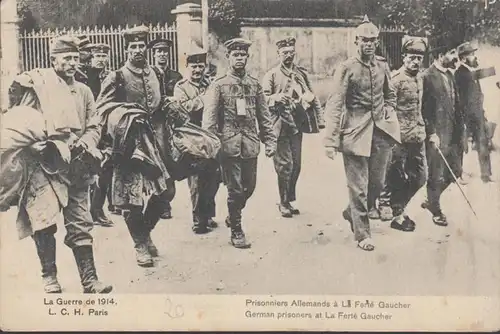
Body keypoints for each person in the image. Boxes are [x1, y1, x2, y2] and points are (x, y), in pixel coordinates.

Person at [7, 35, 112, 293]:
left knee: (80, 221)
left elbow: (94, 125)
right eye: (67, 58)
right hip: (44, 165)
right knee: (44, 221)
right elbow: (22, 122)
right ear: (53, 59)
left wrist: (85, 143)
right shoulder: (38, 87)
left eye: (76, 58)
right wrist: (32, 145)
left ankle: (90, 281)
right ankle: (49, 276)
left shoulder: (84, 91)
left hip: (76, 165)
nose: (72, 63)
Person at [96, 25, 176, 267]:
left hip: (156, 143)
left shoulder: (156, 74)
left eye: (142, 46)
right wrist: (125, 114)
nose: (138, 50)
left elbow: (159, 104)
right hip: (128, 144)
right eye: (133, 47)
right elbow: (101, 109)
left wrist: (169, 107)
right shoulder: (117, 77)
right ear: (126, 49)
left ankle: (145, 232)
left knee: (167, 192)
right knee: (131, 198)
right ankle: (140, 245)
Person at [323, 15, 400, 251]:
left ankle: (351, 212)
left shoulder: (382, 65)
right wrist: (330, 140)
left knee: (376, 183)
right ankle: (362, 234)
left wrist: (388, 110)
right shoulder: (346, 68)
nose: (368, 44)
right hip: (355, 132)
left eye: (372, 41)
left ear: (377, 42)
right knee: (358, 187)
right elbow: (335, 104)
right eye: (364, 40)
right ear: (356, 41)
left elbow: (390, 95)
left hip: (380, 131)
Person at [203, 38, 277, 249]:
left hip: (251, 145)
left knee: (249, 188)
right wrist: (211, 146)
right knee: (235, 190)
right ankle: (236, 229)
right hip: (229, 146)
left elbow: (264, 116)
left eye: (243, 55)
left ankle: (233, 212)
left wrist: (270, 141)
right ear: (228, 58)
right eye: (235, 55)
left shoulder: (255, 85)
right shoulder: (218, 85)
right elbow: (209, 120)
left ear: (247, 57)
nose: (239, 58)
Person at [262, 37, 325, 218]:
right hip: (279, 125)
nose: (288, 56)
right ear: (278, 54)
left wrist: (320, 119)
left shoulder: (301, 74)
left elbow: (312, 96)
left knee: (296, 165)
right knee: (285, 165)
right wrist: (275, 98)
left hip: (297, 125)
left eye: (291, 53)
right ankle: (282, 202)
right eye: (284, 53)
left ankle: (288, 199)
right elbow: (262, 99)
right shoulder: (271, 75)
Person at [377, 37, 428, 231]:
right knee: (394, 175)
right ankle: (393, 209)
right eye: (412, 57)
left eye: (419, 58)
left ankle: (397, 206)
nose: (415, 62)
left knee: (420, 177)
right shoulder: (396, 80)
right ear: (404, 57)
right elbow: (386, 109)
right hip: (398, 137)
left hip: (417, 135)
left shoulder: (421, 78)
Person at [173, 45, 221, 234]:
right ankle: (197, 219)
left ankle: (208, 215)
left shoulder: (211, 84)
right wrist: (204, 98)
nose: (197, 70)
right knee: (196, 181)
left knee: (214, 178)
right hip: (191, 137)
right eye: (194, 66)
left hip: (210, 135)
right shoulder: (181, 87)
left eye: (200, 66)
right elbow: (183, 109)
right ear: (188, 67)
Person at [421, 39, 464, 226]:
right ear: (440, 55)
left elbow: (456, 105)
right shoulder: (427, 76)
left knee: (456, 170)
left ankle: (432, 199)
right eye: (452, 52)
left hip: (453, 133)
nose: (455, 57)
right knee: (436, 173)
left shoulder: (450, 74)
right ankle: (435, 208)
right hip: (437, 134)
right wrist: (431, 132)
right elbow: (423, 109)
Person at [149, 38, 183, 219]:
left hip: (171, 125)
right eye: (158, 51)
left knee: (172, 160)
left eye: (164, 51)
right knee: (157, 160)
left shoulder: (176, 77)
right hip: (154, 125)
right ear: (153, 54)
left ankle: (166, 199)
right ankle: (161, 201)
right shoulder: (148, 75)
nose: (162, 54)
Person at [455, 42, 493, 183]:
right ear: (463, 58)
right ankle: (459, 174)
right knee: (461, 145)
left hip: (477, 115)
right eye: (471, 54)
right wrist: (462, 118)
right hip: (466, 116)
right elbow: (459, 98)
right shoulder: (459, 74)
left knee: (483, 143)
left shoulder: (471, 72)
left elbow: (477, 95)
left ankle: (486, 174)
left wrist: (482, 113)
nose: (474, 56)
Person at [85, 43, 115, 227]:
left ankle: (97, 209)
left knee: (105, 168)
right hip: (88, 127)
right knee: (87, 168)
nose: (101, 59)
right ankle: (87, 212)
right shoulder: (84, 78)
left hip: (106, 128)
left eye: (104, 56)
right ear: (91, 58)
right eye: (97, 56)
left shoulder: (112, 76)